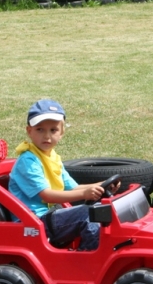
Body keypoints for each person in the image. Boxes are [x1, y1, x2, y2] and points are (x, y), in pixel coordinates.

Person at [8, 99, 120, 251]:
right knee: (87, 214)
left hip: (50, 216)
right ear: (29, 131)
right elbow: (47, 195)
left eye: (53, 130)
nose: (47, 136)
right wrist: (85, 194)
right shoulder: (28, 160)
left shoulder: (52, 157)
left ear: (61, 133)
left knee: (103, 209)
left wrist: (101, 185)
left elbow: (73, 188)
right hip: (33, 222)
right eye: (40, 129)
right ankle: (86, 264)